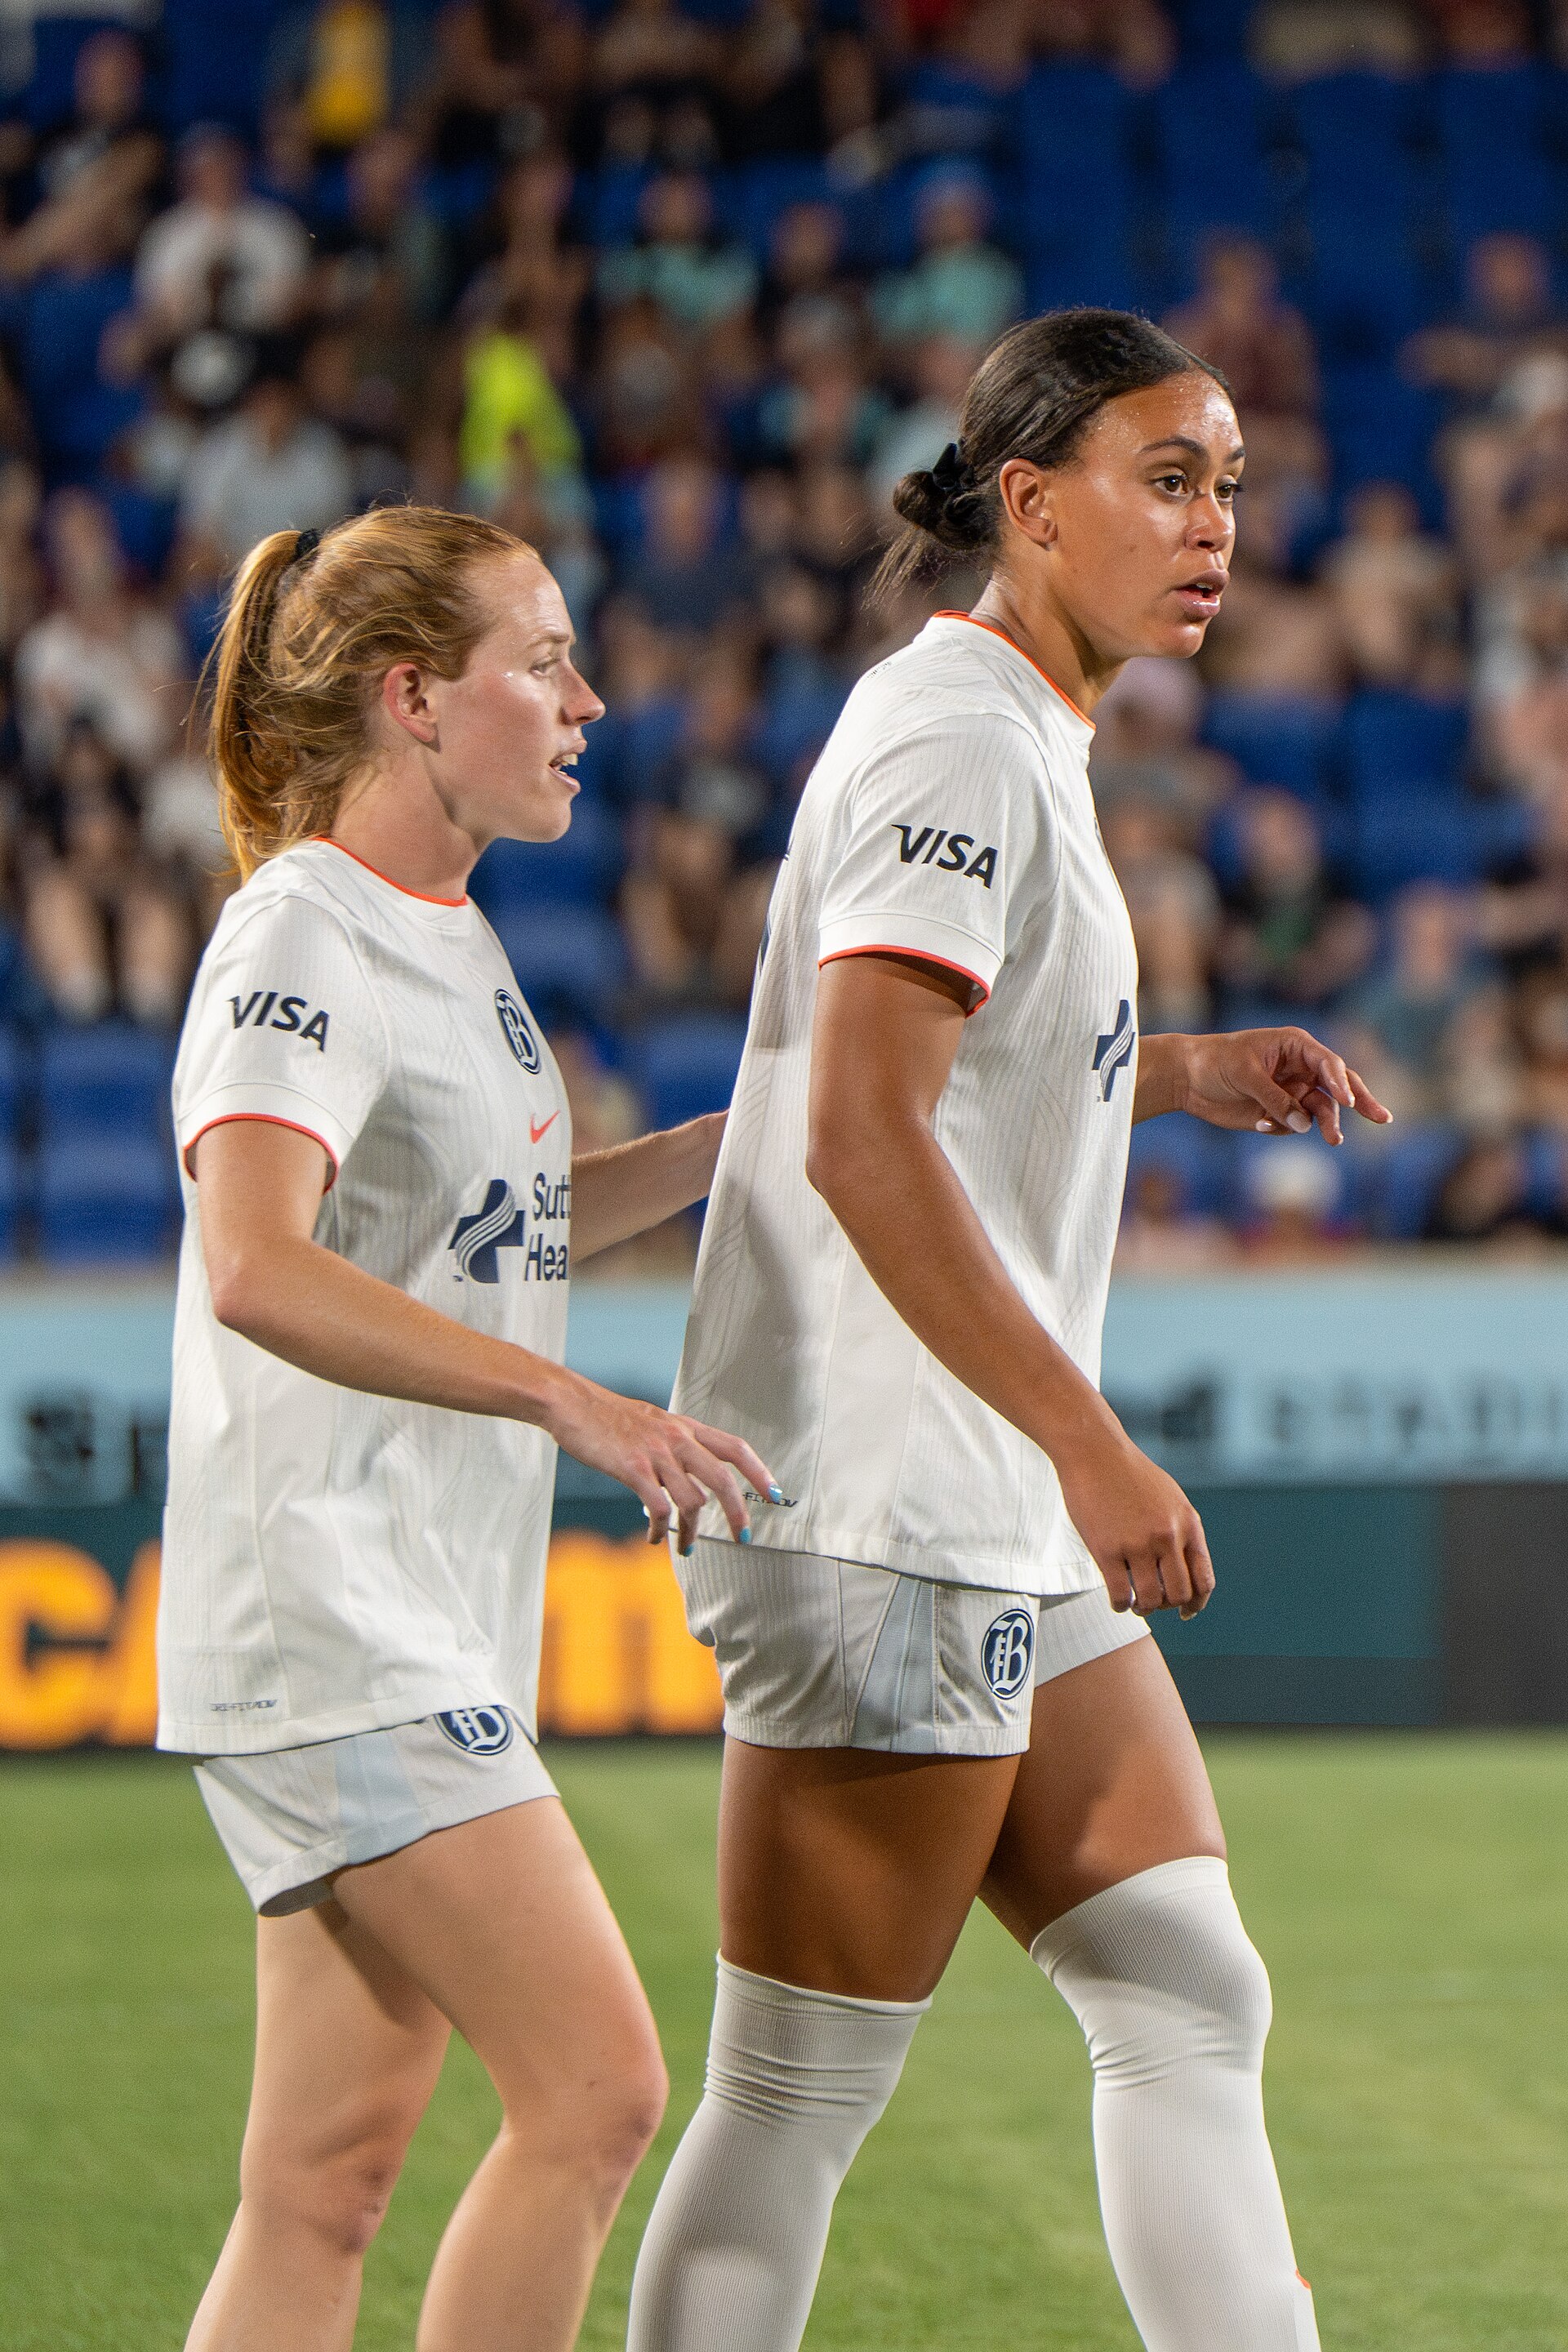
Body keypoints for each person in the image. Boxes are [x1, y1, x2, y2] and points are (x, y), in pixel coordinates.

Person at [627, 310, 1392, 2352]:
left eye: (1229, 483)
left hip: (971, 1504)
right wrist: (1092, 1442)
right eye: (1168, 479)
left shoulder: (1008, 727)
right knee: (792, 2097)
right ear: (1031, 507)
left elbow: (965, 1068)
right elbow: (863, 1137)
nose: (1215, 524)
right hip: (897, 1498)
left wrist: (1184, 1063)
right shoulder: (958, 738)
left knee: (1184, 1987)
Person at [156, 503, 780, 2352]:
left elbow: (490, 1227)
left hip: (397, 1616)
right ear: (416, 698)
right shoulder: (304, 936)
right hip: (335, 1616)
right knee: (596, 2094)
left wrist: (742, 1143)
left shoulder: (447, 939)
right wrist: (574, 1400)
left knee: (322, 2186)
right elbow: (257, 1264)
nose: (589, 702)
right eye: (547, 661)